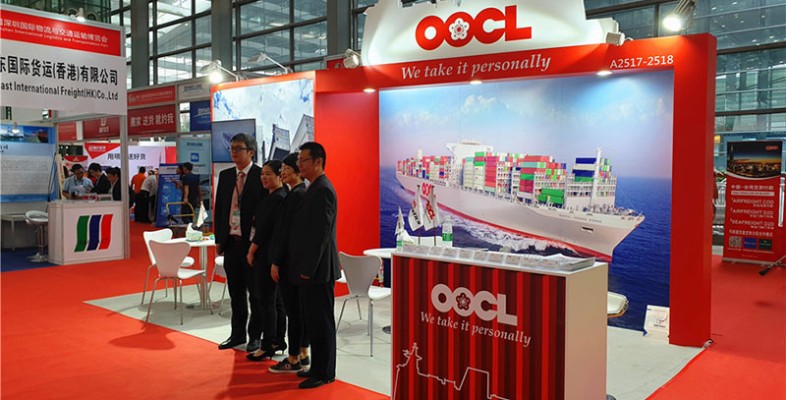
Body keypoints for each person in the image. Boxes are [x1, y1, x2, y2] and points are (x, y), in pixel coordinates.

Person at [286, 142, 339, 389]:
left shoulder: (323, 190)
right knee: (314, 321)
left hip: (318, 270)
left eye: (303, 161)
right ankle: (317, 367)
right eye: (299, 161)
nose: (300, 165)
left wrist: (308, 268)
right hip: (310, 269)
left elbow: (320, 235)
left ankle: (325, 372)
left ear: (318, 161)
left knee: (321, 322)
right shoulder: (313, 187)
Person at [213, 133, 266, 352]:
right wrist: (219, 239)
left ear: (251, 152)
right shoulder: (226, 176)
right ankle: (237, 334)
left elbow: (265, 213)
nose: (234, 152)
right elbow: (220, 209)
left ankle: (255, 336)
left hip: (252, 245)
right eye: (232, 148)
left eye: (238, 148)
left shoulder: (261, 175)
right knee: (235, 292)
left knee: (255, 293)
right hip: (231, 242)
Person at [268, 152, 310, 373]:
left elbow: (285, 233)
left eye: (286, 168)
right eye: (281, 169)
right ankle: (302, 352)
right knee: (299, 311)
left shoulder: (296, 195)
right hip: (296, 262)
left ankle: (293, 358)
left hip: (289, 263)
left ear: (297, 171)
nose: (282, 172)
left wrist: (276, 262)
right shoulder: (300, 193)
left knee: (294, 312)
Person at [246, 160, 288, 362]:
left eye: (268, 174)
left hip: (267, 255)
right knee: (275, 300)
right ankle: (277, 340)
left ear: (280, 175)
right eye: (262, 174)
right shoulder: (276, 196)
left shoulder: (278, 198)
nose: (263, 177)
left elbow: (264, 230)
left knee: (267, 300)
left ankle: (268, 343)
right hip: (271, 254)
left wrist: (251, 251)